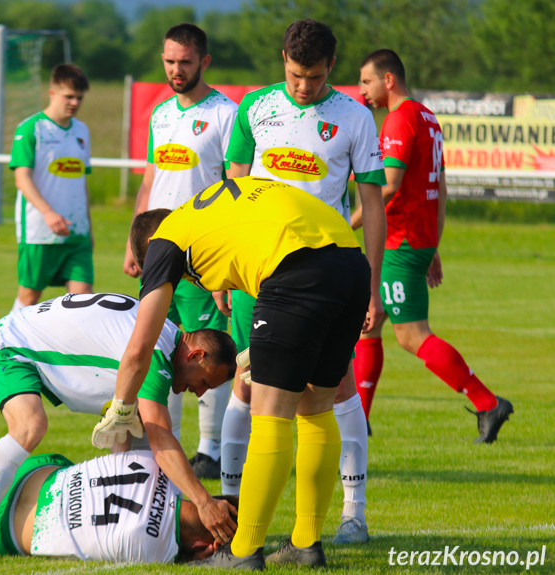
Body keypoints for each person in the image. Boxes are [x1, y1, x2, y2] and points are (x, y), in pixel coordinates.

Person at [94, 177, 372, 569]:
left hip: (295, 266)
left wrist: (122, 406)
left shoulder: (164, 242)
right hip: (350, 261)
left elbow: (139, 348)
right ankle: (306, 544)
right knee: (316, 407)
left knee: (270, 414)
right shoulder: (209, 215)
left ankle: (242, 552)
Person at [219, 19, 387, 546]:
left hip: (327, 274)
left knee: (335, 389)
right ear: (283, 63)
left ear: (330, 68)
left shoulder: (355, 118)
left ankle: (352, 514)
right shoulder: (254, 108)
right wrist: (224, 263)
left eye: (313, 77)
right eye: (295, 75)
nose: (303, 87)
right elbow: (234, 189)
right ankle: (232, 514)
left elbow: (373, 206)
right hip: (257, 272)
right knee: (247, 383)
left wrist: (374, 286)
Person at [0, 292, 238, 565]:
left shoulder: (161, 333)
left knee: (134, 435)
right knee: (30, 425)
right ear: (195, 355)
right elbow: (161, 439)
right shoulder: (156, 356)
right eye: (205, 382)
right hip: (8, 345)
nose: (199, 393)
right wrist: (203, 503)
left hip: (26, 332)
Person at [353, 49, 513, 443]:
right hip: (417, 239)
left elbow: (388, 185)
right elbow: (439, 187)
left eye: (366, 82)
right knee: (366, 329)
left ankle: (487, 402)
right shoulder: (428, 117)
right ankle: (358, 422)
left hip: (399, 241)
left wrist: (344, 225)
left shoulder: (399, 118)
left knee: (411, 335)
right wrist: (433, 245)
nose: (362, 91)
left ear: (388, 79)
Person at [122, 23, 239, 480]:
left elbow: (233, 187)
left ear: (204, 62)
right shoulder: (161, 114)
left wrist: (226, 261)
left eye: (185, 62)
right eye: (169, 62)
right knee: (157, 348)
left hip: (201, 256)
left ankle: (209, 450)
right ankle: (161, 441)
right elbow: (151, 180)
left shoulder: (226, 114)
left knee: (203, 349)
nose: (175, 70)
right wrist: (134, 242)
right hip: (157, 251)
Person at [0, 450, 238, 565]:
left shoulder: (160, 462)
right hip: (6, 533)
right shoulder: (157, 551)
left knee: (75, 471)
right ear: (210, 546)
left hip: (29, 471)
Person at [9, 63, 93, 313]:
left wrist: (88, 226)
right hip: (39, 232)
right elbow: (22, 178)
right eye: (69, 96)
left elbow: (82, 183)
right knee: (29, 296)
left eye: (79, 97)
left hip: (77, 233)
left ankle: (71, 352)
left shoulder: (82, 131)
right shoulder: (31, 129)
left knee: (84, 301)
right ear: (52, 93)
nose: (75, 102)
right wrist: (48, 212)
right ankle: (6, 346)